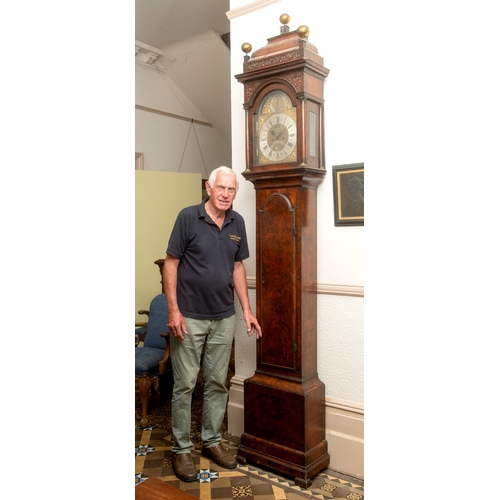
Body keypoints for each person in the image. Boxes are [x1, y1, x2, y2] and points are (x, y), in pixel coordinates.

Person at [163, 166, 262, 482]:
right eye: (221, 188)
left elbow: (236, 267)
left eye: (231, 190)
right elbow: (171, 264)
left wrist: (246, 309)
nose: (225, 194)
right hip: (189, 316)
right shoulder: (188, 218)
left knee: (218, 382)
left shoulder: (237, 223)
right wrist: (174, 311)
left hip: (223, 316)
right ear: (208, 187)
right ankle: (181, 449)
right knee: (186, 383)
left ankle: (211, 442)